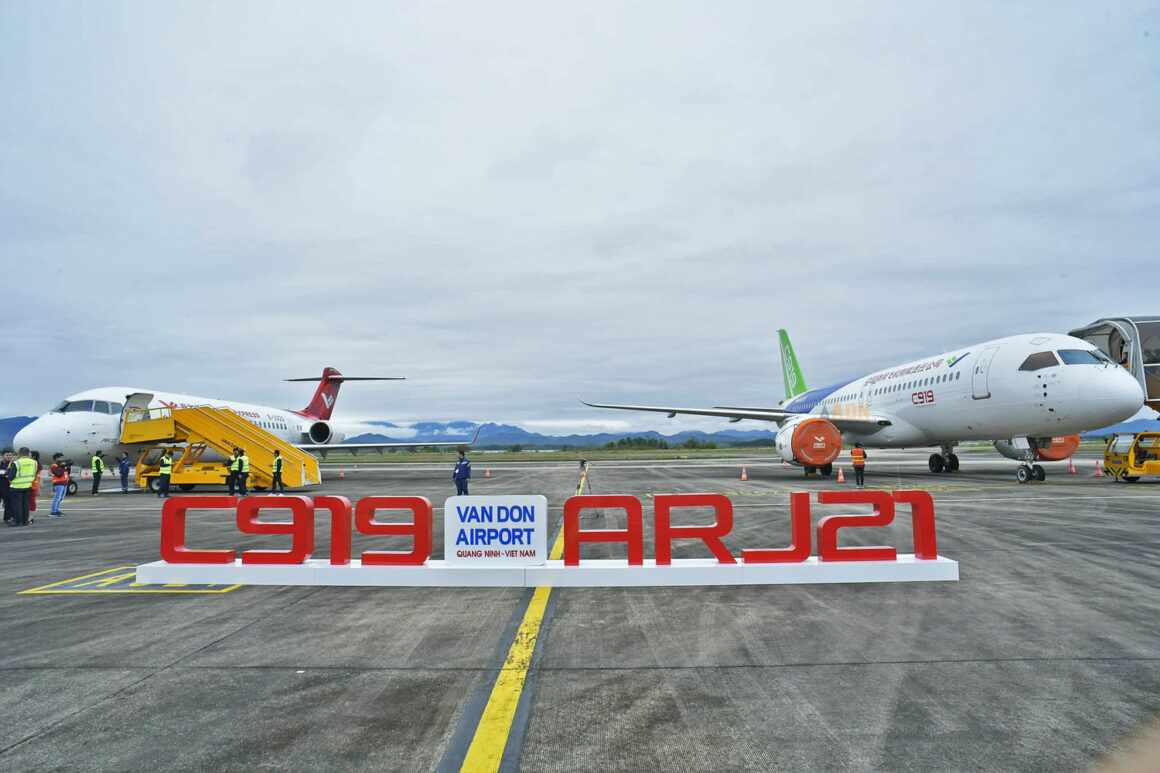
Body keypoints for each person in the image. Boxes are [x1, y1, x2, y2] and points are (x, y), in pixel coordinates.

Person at [8, 447, 38, 526]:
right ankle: (25, 521)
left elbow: (11, 476)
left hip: (16, 487)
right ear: (28, 453)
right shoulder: (34, 462)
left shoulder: (17, 463)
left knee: (17, 505)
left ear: (19, 453)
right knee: (25, 504)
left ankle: (18, 521)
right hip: (28, 486)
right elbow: (34, 473)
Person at [1, 449, 12, 524]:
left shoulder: (13, 464)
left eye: (10, 455)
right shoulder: (0, 464)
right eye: (7, 455)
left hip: (8, 487)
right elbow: (4, 474)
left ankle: (7, 518)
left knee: (8, 503)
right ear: (3, 456)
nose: (9, 456)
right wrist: (6, 473)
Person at [28, 451, 41, 516]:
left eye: (29, 455)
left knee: (31, 502)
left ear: (33, 457)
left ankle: (31, 516)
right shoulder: (36, 464)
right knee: (31, 501)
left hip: (32, 485)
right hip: (33, 485)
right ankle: (30, 516)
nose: (28, 456)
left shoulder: (35, 464)